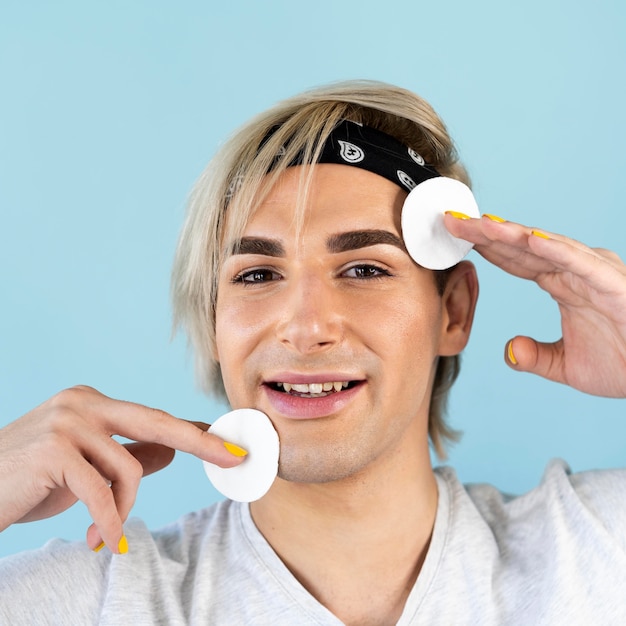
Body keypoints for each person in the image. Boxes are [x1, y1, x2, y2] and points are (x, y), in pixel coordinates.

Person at [1, 80, 625, 625]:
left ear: (453, 311)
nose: (305, 327)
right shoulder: (90, 603)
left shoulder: (598, 549)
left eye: (361, 268)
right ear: (215, 322)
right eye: (256, 275)